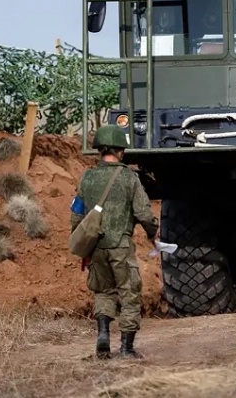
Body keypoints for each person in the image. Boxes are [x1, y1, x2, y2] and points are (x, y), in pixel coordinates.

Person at [70, 124, 159, 360]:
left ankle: (102, 336)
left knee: (103, 292)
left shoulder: (87, 177)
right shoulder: (129, 178)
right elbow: (144, 214)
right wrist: (153, 232)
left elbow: (77, 213)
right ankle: (127, 349)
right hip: (120, 245)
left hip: (96, 246)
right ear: (121, 151)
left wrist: (83, 246)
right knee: (129, 292)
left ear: (99, 149)